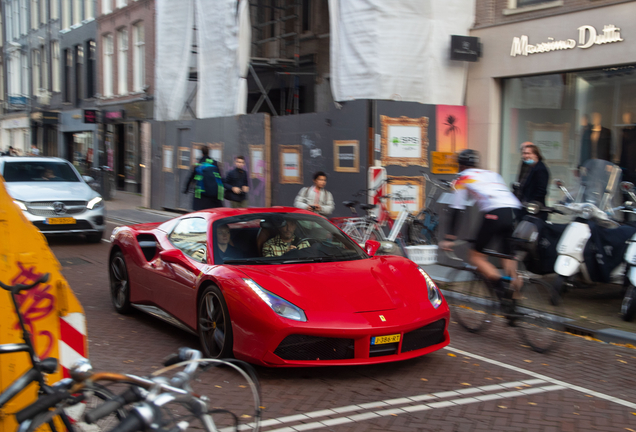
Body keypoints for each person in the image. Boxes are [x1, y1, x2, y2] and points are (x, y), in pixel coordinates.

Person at [439, 149, 522, 307]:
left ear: (461, 165)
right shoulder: (492, 174)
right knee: (507, 256)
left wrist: (449, 238)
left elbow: (457, 208)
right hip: (514, 211)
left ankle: (503, 292)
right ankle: (516, 300)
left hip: (495, 212)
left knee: (476, 257)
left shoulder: (462, 177)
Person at [518, 144, 550, 220]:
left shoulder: (540, 169)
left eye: (528, 153)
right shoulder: (531, 168)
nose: (525, 156)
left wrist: (532, 205)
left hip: (534, 211)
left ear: (536, 155)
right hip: (526, 208)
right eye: (524, 153)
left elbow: (541, 190)